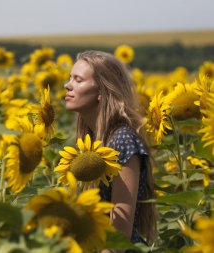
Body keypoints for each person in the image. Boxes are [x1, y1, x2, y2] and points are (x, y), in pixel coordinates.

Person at [64, 50, 156, 252]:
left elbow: (119, 233)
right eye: (70, 78)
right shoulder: (92, 142)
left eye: (78, 80)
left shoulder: (122, 140)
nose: (67, 85)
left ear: (101, 91)